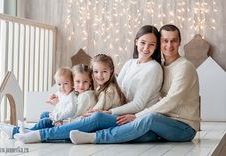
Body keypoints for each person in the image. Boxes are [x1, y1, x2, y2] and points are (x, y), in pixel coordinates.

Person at [13, 25, 163, 143]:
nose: (146, 48)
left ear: (156, 47)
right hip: (118, 110)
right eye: (143, 42)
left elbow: (138, 105)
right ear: (136, 41)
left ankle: (40, 135)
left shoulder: (153, 68)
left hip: (130, 116)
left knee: (94, 117)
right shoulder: (130, 64)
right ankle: (20, 131)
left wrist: (109, 112)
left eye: (151, 44)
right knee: (48, 114)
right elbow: (118, 89)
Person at [69, 24, 200, 144]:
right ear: (160, 43)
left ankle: (95, 138)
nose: (169, 45)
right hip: (163, 122)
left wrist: (137, 116)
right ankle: (74, 131)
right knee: (143, 135)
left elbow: (171, 101)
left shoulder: (184, 67)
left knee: (149, 118)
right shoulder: (162, 66)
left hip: (184, 127)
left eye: (174, 40)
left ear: (180, 42)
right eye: (165, 40)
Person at [0, 65, 95, 138]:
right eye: (78, 82)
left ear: (90, 82)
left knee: (45, 121)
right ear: (73, 82)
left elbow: (72, 112)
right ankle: (31, 127)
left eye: (85, 82)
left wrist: (57, 117)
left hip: (65, 121)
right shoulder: (75, 94)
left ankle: (17, 131)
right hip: (63, 119)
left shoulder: (80, 96)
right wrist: (56, 101)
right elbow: (64, 105)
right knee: (45, 114)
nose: (81, 85)